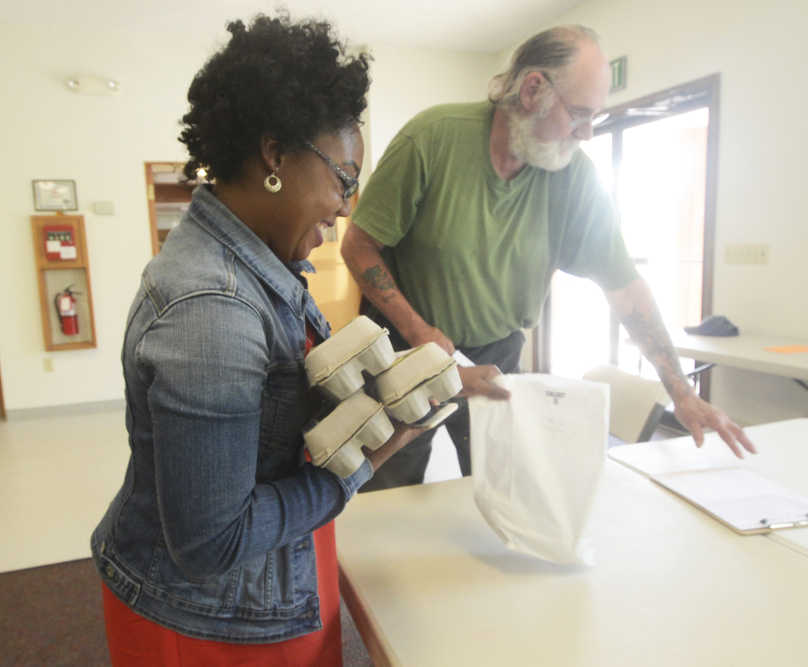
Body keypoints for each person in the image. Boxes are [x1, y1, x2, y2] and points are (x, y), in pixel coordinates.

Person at [90, 14, 502, 666]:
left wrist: (392, 387)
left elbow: (272, 406)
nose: (347, 205)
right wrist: (359, 466)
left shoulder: (260, 258)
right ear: (276, 155)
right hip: (213, 614)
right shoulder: (213, 310)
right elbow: (212, 541)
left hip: (264, 578)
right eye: (344, 177)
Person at [342, 25, 756, 492]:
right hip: (408, 348)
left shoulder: (574, 178)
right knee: (384, 495)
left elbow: (626, 288)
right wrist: (420, 334)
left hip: (496, 355)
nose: (587, 132)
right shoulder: (433, 139)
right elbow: (357, 245)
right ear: (532, 88)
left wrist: (681, 391)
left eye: (594, 117)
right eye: (579, 114)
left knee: (506, 492)